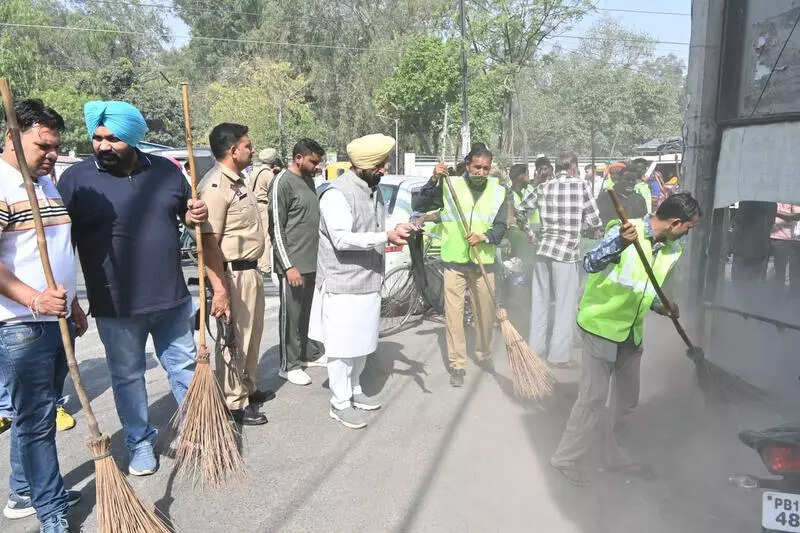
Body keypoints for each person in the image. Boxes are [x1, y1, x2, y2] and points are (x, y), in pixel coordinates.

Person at [58, 101, 206, 477]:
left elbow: (184, 214)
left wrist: (192, 216)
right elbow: (62, 244)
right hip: (115, 304)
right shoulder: (75, 179)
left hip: (171, 297)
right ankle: (141, 443)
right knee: (127, 377)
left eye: (113, 139)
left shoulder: (167, 171)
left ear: (134, 139)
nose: (103, 145)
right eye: (97, 137)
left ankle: (201, 431)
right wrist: (70, 298)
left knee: (185, 368)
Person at [549, 193, 701, 486]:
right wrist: (619, 243)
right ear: (675, 222)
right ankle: (565, 458)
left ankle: (610, 454)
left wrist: (662, 305)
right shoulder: (623, 230)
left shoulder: (672, 248)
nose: (688, 233)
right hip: (600, 325)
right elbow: (590, 263)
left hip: (631, 332)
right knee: (593, 399)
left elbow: (645, 285)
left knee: (627, 401)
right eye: (689, 227)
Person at [0, 99, 85, 531]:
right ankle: (52, 510)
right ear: (13, 138)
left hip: (56, 317)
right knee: (37, 421)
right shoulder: (1, 184)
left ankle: (24, 490)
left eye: (55, 146)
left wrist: (72, 305)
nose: (52, 155)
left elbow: (52, 249)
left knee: (34, 413)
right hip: (22, 325)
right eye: (43, 146)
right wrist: (35, 299)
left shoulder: (44, 182)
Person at [309, 134, 412, 429]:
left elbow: (374, 226)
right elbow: (342, 239)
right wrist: (385, 237)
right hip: (342, 285)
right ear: (364, 165)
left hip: (369, 282)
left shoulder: (372, 188)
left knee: (363, 344)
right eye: (380, 164)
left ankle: (355, 390)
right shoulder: (336, 193)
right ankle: (339, 403)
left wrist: (397, 228)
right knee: (342, 349)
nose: (384, 169)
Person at [415, 144, 508, 387]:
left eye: (485, 168)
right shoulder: (450, 185)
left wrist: (484, 236)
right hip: (454, 261)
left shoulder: (499, 192)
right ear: (468, 166)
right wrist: (434, 178)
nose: (481, 172)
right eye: (477, 167)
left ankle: (483, 353)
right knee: (454, 316)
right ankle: (458, 364)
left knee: (485, 316)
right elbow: (421, 205)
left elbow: (500, 227)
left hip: (483, 263)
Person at [199, 123, 269, 426]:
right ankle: (233, 403)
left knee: (252, 337)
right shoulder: (216, 187)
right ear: (233, 150)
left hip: (250, 272)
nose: (251, 150)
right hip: (232, 275)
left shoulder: (240, 182)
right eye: (248, 145)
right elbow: (208, 242)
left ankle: (248, 388)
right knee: (233, 340)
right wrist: (220, 289)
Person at [517, 151, 602, 368]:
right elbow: (594, 221)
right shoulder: (582, 186)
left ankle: (535, 350)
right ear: (573, 167)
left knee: (539, 302)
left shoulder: (544, 186)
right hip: (566, 254)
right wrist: (583, 227)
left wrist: (530, 233)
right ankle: (559, 356)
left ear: (557, 167)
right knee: (565, 305)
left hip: (543, 251)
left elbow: (520, 211)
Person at [268, 138, 326, 386]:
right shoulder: (282, 182)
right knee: (290, 316)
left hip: (311, 262)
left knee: (304, 314)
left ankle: (302, 354)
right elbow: (276, 228)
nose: (317, 166)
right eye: (313, 161)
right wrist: (288, 266)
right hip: (292, 264)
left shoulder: (308, 180)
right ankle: (288, 365)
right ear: (299, 158)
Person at [251, 147, 282, 275]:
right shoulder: (268, 173)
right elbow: (274, 190)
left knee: (258, 235)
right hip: (264, 206)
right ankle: (265, 265)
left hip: (254, 205)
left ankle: (258, 262)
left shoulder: (255, 171)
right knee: (266, 236)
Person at [595, 160, 649, 226]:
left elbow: (644, 221)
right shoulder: (606, 197)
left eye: (633, 180)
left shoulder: (639, 199)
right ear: (618, 179)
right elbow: (601, 220)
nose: (631, 182)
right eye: (627, 179)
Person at [770, 203, 800, 297]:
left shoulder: (793, 198)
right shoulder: (774, 198)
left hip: (790, 239)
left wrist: (773, 211)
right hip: (775, 237)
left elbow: (795, 216)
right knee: (779, 273)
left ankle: (792, 299)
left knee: (793, 274)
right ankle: (778, 298)